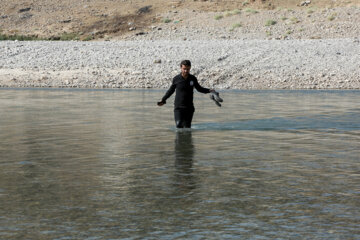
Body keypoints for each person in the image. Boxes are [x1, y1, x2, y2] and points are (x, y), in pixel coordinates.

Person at [157, 60, 214, 128]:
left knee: (187, 127)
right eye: (184, 69)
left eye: (188, 69)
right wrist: (163, 99)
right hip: (178, 107)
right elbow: (170, 91)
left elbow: (199, 89)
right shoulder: (176, 79)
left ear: (190, 68)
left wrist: (209, 90)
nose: (186, 71)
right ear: (181, 68)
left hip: (189, 107)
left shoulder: (192, 78)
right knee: (178, 125)